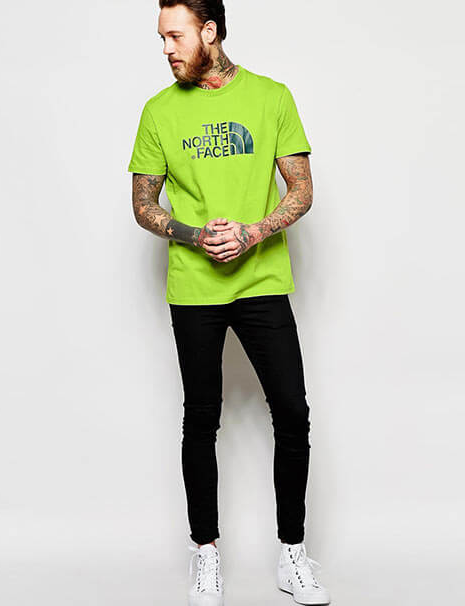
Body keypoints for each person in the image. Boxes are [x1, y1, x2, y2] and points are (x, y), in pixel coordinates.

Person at [127, 1, 331, 604]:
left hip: (262, 281)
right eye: (162, 38)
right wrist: (195, 235)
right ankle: (206, 553)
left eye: (176, 36)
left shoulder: (271, 97)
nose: (167, 49)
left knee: (291, 413)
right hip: (194, 287)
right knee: (201, 417)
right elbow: (143, 205)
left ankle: (292, 554)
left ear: (210, 32)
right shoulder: (159, 111)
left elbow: (302, 189)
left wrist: (254, 232)